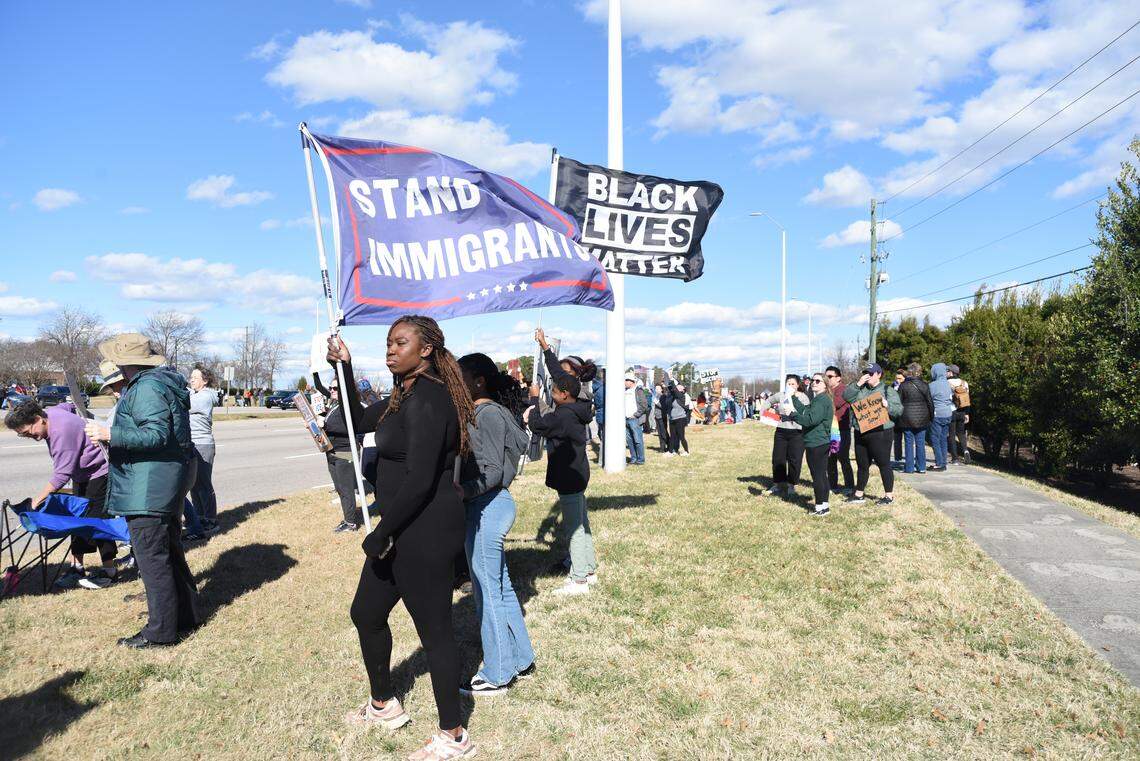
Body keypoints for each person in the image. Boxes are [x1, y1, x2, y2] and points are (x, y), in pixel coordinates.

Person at [339, 317, 478, 760]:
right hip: (398, 529)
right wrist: (344, 366)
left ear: (426, 349)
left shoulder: (430, 398)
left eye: (401, 342)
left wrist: (382, 532)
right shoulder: (402, 395)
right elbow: (357, 418)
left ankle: (453, 735)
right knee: (366, 612)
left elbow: (419, 480)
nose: (391, 350)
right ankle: (384, 704)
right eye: (388, 343)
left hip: (425, 530)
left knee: (434, 632)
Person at [84, 334, 199, 647]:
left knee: (153, 560)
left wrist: (110, 432)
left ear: (124, 362)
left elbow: (156, 435)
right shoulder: (155, 383)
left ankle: (161, 633)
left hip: (150, 488)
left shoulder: (147, 386)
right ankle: (186, 617)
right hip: (157, 484)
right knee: (169, 553)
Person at [456, 353, 536, 696]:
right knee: (500, 587)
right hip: (493, 505)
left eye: (460, 377)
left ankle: (498, 673)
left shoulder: (485, 414)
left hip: (487, 506)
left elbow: (490, 471)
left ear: (478, 382)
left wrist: (458, 492)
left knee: (487, 593)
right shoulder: (495, 411)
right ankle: (521, 658)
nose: (455, 383)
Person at [4, 399, 118, 589]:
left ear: (38, 419)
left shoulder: (60, 432)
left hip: (98, 473)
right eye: (23, 436)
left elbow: (61, 475)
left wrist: (37, 500)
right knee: (75, 519)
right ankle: (77, 567)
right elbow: (66, 406)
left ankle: (110, 572)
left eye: (27, 432)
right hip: (82, 474)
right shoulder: (51, 413)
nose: (28, 436)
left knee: (98, 522)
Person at [525, 373, 597, 595]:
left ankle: (579, 580)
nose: (552, 394)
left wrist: (535, 399)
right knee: (581, 524)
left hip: (570, 476)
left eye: (554, 392)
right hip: (577, 473)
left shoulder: (564, 415)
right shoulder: (578, 410)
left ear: (564, 395)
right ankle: (589, 569)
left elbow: (539, 425)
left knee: (574, 529)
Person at [310, 367, 366, 532]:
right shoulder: (335, 404)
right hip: (332, 452)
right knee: (340, 489)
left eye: (336, 388)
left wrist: (325, 424)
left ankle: (351, 523)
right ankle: (347, 519)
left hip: (345, 453)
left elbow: (348, 427)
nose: (332, 390)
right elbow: (320, 389)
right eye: (331, 388)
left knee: (347, 490)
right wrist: (314, 371)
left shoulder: (348, 406)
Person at [842, 363, 903, 505]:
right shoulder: (859, 388)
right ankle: (859, 494)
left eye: (871, 373)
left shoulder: (888, 390)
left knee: (883, 463)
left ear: (879, 374)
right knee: (862, 464)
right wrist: (858, 384)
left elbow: (899, 411)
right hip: (861, 431)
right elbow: (846, 397)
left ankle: (889, 496)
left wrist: (887, 405)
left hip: (881, 433)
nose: (868, 376)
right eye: (866, 373)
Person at [790, 374, 836, 516]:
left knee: (818, 476)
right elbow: (805, 410)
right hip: (819, 441)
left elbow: (810, 420)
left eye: (818, 381)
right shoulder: (819, 399)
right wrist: (792, 398)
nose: (814, 383)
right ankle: (824, 506)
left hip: (816, 442)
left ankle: (820, 508)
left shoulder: (821, 400)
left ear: (825, 385)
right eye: (813, 380)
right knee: (821, 475)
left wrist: (793, 415)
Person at [758, 375, 809, 497]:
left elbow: (806, 413)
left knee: (794, 459)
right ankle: (777, 484)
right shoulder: (780, 395)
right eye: (788, 383)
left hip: (797, 432)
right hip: (781, 431)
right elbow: (768, 401)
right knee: (778, 458)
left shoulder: (803, 397)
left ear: (797, 385)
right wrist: (763, 412)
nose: (790, 386)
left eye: (792, 384)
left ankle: (791, 485)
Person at [183, 365, 218, 540]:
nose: (191, 380)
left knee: (204, 484)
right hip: (192, 443)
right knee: (193, 485)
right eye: (191, 377)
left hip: (203, 444)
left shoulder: (206, 396)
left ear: (204, 381)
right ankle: (199, 516)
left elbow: (185, 404)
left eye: (195, 378)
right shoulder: (195, 393)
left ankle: (211, 519)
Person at [897, 362, 933, 474]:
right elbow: (930, 403)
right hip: (922, 418)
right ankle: (921, 467)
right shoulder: (925, 385)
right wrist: (931, 417)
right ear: (919, 372)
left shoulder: (903, 386)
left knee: (908, 442)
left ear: (909, 372)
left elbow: (899, 402)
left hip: (907, 418)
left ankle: (909, 468)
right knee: (920, 443)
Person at [824, 366, 854, 494]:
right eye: (826, 376)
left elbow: (833, 404)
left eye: (830, 376)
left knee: (843, 458)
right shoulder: (828, 391)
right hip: (830, 430)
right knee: (831, 459)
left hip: (842, 430)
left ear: (838, 378)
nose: (827, 379)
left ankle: (849, 486)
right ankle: (833, 485)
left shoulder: (843, 390)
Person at [928, 363, 954, 472]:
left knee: (935, 439)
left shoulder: (933, 385)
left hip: (937, 414)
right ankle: (943, 462)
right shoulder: (948, 384)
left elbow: (929, 399)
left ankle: (939, 463)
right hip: (948, 414)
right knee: (943, 439)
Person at [947, 364, 972, 464]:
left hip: (951, 411)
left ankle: (955, 458)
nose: (946, 373)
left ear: (951, 372)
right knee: (961, 433)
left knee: (951, 435)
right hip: (962, 411)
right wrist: (967, 413)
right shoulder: (964, 383)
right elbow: (967, 398)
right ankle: (965, 450)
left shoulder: (947, 382)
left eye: (948, 371)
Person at [623, 374, 648, 465]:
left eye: (626, 380)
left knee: (637, 440)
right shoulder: (624, 391)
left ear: (631, 381)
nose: (624, 382)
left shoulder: (638, 391)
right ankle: (633, 458)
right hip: (625, 419)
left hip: (634, 419)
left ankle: (640, 460)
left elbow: (644, 405)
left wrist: (636, 415)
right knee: (629, 441)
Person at [664, 377, 692, 456]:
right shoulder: (673, 396)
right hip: (673, 419)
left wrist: (671, 379)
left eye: (680, 386)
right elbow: (671, 389)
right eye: (678, 386)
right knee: (672, 436)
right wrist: (668, 381)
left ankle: (686, 451)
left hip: (680, 419)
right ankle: (670, 452)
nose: (678, 386)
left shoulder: (681, 396)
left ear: (683, 390)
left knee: (681, 436)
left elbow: (675, 390)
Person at [891, 370, 906, 466]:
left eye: (900, 378)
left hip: (906, 416)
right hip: (896, 417)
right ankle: (898, 457)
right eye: (896, 378)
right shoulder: (893, 386)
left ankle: (908, 459)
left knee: (908, 439)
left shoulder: (907, 386)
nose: (898, 380)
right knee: (897, 438)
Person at [652, 383, 670, 453]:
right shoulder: (656, 396)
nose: (656, 390)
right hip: (657, 416)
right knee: (660, 433)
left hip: (662, 416)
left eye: (658, 388)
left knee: (664, 432)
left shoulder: (663, 396)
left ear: (661, 389)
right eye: (656, 388)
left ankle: (669, 446)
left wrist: (656, 402)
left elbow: (663, 406)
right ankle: (662, 448)